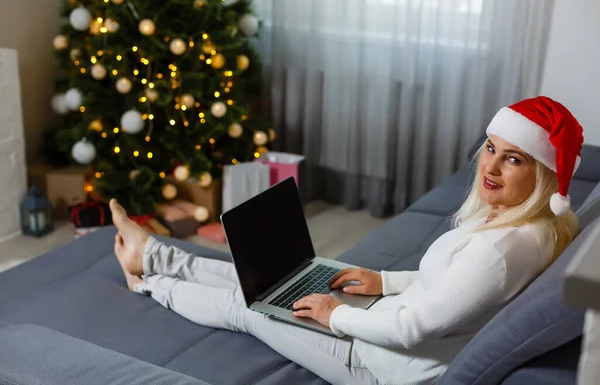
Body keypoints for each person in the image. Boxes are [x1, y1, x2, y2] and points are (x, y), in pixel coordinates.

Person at [110, 96, 583, 385]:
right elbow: (448, 288)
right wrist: (382, 280)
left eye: (515, 159)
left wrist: (337, 315)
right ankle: (154, 253)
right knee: (278, 280)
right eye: (491, 148)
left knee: (248, 307)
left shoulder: (502, 250)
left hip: (384, 367)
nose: (491, 166)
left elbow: (412, 329)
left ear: (544, 174)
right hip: (383, 333)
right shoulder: (530, 228)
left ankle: (146, 282)